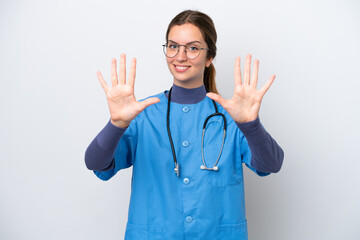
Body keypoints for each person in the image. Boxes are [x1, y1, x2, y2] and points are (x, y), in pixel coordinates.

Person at [85, 9, 284, 240]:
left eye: (192, 48)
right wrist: (116, 124)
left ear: (209, 57)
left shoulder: (232, 117)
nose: (180, 56)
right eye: (173, 46)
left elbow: (271, 164)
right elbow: (95, 163)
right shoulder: (142, 114)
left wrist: (251, 125)